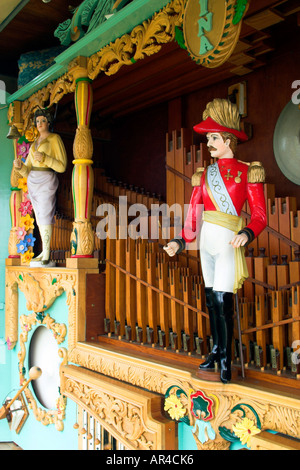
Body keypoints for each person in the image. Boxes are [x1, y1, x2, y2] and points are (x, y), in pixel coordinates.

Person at [164, 98, 267, 383]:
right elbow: (193, 214)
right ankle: (217, 348)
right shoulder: (204, 174)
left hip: (228, 242)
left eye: (213, 137)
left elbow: (259, 214)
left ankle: (226, 358)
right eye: (208, 137)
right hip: (206, 241)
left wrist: (247, 233)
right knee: (211, 300)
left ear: (228, 139)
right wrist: (181, 241)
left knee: (223, 301)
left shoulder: (249, 172)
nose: (208, 142)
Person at [13, 108, 67, 265]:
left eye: (43, 120)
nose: (40, 124)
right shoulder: (34, 143)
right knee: (38, 217)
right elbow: (27, 169)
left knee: (45, 214)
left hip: (46, 179)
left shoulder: (54, 139)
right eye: (37, 121)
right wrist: (19, 167)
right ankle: (44, 250)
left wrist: (46, 158)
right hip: (33, 180)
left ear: (48, 122)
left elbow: (62, 166)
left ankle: (47, 252)